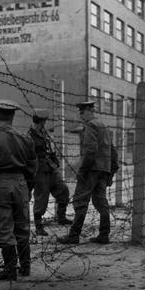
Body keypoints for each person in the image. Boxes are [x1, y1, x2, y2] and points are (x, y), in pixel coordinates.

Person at [0, 100, 38, 280]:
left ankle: (10, 268)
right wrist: (28, 187)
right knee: (22, 226)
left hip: (0, 184)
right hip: (21, 183)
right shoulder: (25, 139)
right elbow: (32, 168)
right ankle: (26, 267)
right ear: (12, 117)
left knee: (3, 226)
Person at [58, 100, 119, 245]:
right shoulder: (103, 125)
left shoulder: (90, 125)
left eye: (82, 113)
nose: (81, 116)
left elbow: (91, 151)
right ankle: (104, 235)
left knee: (80, 201)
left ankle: (74, 235)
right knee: (100, 202)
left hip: (92, 169)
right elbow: (113, 152)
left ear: (89, 111)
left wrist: (82, 171)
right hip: (103, 169)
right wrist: (111, 171)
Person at [28, 108, 71, 236]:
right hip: (39, 170)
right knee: (41, 198)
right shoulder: (29, 136)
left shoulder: (43, 133)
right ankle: (38, 226)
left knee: (63, 190)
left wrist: (54, 159)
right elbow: (29, 155)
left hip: (50, 167)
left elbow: (49, 149)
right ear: (41, 121)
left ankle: (61, 217)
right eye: (44, 121)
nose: (45, 123)